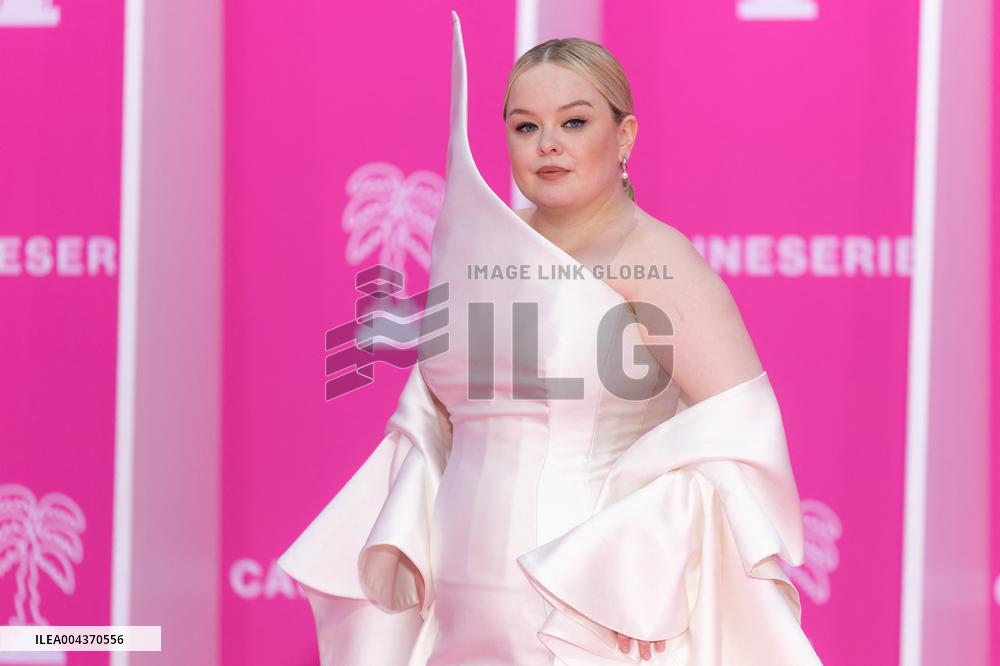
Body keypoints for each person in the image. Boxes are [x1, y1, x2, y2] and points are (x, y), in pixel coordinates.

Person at [278, 10, 823, 665]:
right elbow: (437, 416)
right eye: (525, 127)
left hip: (590, 604)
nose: (548, 144)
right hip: (459, 600)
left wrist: (641, 563)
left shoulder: (655, 258)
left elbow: (739, 440)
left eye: (573, 122)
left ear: (624, 136)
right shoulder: (484, 245)